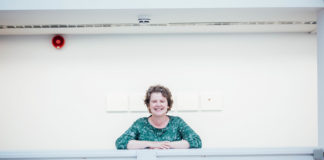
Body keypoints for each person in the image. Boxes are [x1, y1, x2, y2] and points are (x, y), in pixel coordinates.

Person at [115, 85, 202, 149]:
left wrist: (166, 145)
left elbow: (196, 141)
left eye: (162, 101)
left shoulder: (177, 122)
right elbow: (121, 143)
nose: (158, 104)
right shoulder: (140, 123)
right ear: (149, 105)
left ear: (168, 105)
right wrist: (152, 144)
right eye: (154, 101)